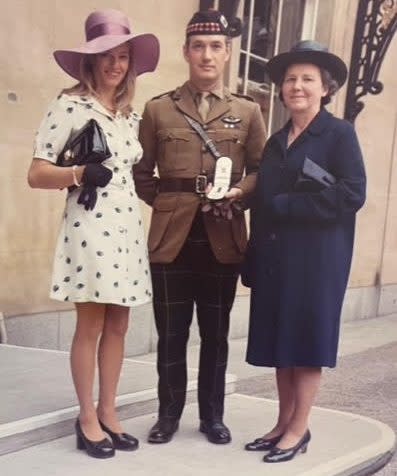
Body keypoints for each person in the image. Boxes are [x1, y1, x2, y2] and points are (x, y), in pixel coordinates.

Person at [27, 9, 159, 459]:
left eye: (123, 56)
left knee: (120, 323)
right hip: (89, 224)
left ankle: (109, 410)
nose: (115, 64)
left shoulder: (128, 115)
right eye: (106, 55)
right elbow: (37, 173)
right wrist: (80, 171)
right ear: (90, 60)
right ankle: (86, 416)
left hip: (125, 226)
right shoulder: (68, 105)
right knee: (92, 322)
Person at [133, 10, 266, 445]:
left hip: (222, 238)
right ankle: (167, 415)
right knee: (170, 335)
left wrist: (238, 195)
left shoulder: (247, 112)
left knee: (216, 334)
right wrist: (172, 205)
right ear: (186, 52)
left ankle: (212, 416)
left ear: (227, 54)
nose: (206, 55)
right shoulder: (158, 110)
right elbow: (142, 172)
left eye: (215, 47)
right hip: (171, 242)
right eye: (198, 46)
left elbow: (262, 171)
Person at [242, 40, 366, 463]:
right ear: (281, 89)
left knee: (306, 343)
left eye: (307, 79)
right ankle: (282, 422)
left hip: (317, 261)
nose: (297, 86)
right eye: (290, 79)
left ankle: (299, 429)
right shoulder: (277, 141)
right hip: (278, 260)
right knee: (282, 342)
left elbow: (353, 194)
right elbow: (263, 199)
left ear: (325, 88)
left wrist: (290, 205)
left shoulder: (339, 134)